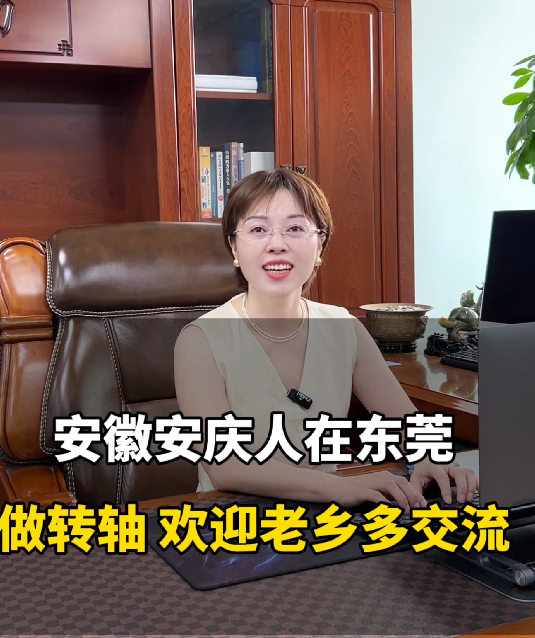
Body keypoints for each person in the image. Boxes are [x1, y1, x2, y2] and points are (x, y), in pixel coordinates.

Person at [174, 169, 478, 511]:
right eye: (258, 229)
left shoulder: (343, 328)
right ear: (234, 246)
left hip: (327, 516)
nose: (277, 244)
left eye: (295, 228)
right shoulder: (200, 340)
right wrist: (338, 486)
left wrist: (433, 460)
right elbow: (226, 467)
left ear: (320, 244)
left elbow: (410, 428)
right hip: (234, 522)